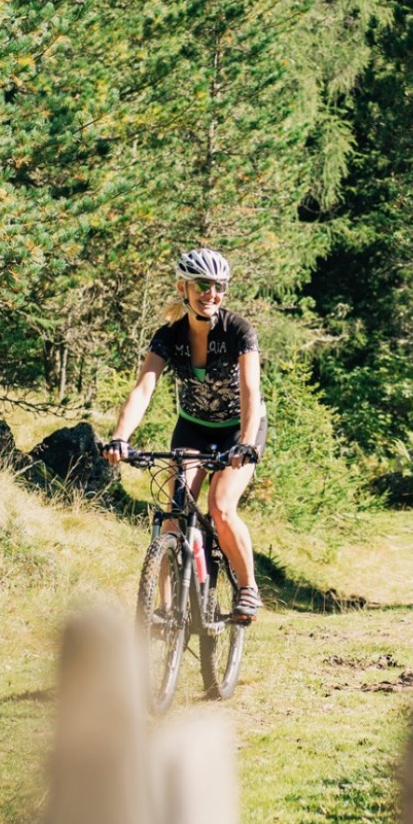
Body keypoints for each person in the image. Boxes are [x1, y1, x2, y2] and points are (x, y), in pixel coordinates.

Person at [102, 247, 266, 624]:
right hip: (193, 426)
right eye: (203, 285)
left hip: (240, 428)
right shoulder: (169, 336)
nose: (211, 294)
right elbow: (144, 388)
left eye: (219, 287)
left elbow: (250, 389)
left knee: (221, 508)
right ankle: (167, 607)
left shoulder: (238, 330)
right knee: (173, 514)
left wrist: (244, 441)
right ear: (183, 287)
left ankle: (248, 588)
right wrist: (120, 437)